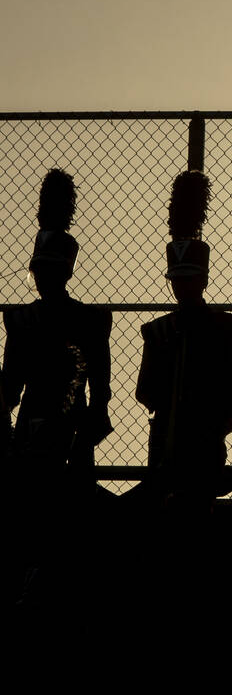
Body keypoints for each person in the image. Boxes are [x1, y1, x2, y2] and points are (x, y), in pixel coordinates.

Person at [134, 170, 232, 505]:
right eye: (178, 279)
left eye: (186, 279)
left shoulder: (162, 331)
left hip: (195, 439)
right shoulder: (228, 328)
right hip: (184, 440)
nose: (181, 287)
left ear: (201, 280)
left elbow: (148, 392)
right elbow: (145, 392)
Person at [3, 168, 112, 494]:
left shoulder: (22, 320)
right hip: (70, 433)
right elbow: (100, 394)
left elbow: (10, 388)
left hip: (42, 434)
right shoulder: (90, 321)